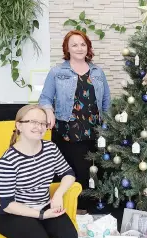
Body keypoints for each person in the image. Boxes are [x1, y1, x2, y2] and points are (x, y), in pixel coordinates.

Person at [0, 105, 84, 238]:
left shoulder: (50, 149)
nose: (39, 127)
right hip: (12, 214)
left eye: (43, 123)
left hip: (45, 206)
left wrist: (57, 195)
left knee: (70, 236)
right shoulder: (7, 161)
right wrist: (41, 215)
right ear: (19, 125)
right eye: (33, 122)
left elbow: (68, 173)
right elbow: (8, 204)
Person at [39, 30, 111, 190]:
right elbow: (45, 98)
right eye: (74, 45)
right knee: (67, 172)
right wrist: (48, 111)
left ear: (88, 47)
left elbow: (106, 101)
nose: (79, 48)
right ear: (67, 49)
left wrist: (108, 125)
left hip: (93, 131)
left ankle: (84, 209)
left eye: (83, 44)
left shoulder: (98, 72)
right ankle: (64, 208)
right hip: (65, 130)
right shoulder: (57, 72)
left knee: (88, 171)